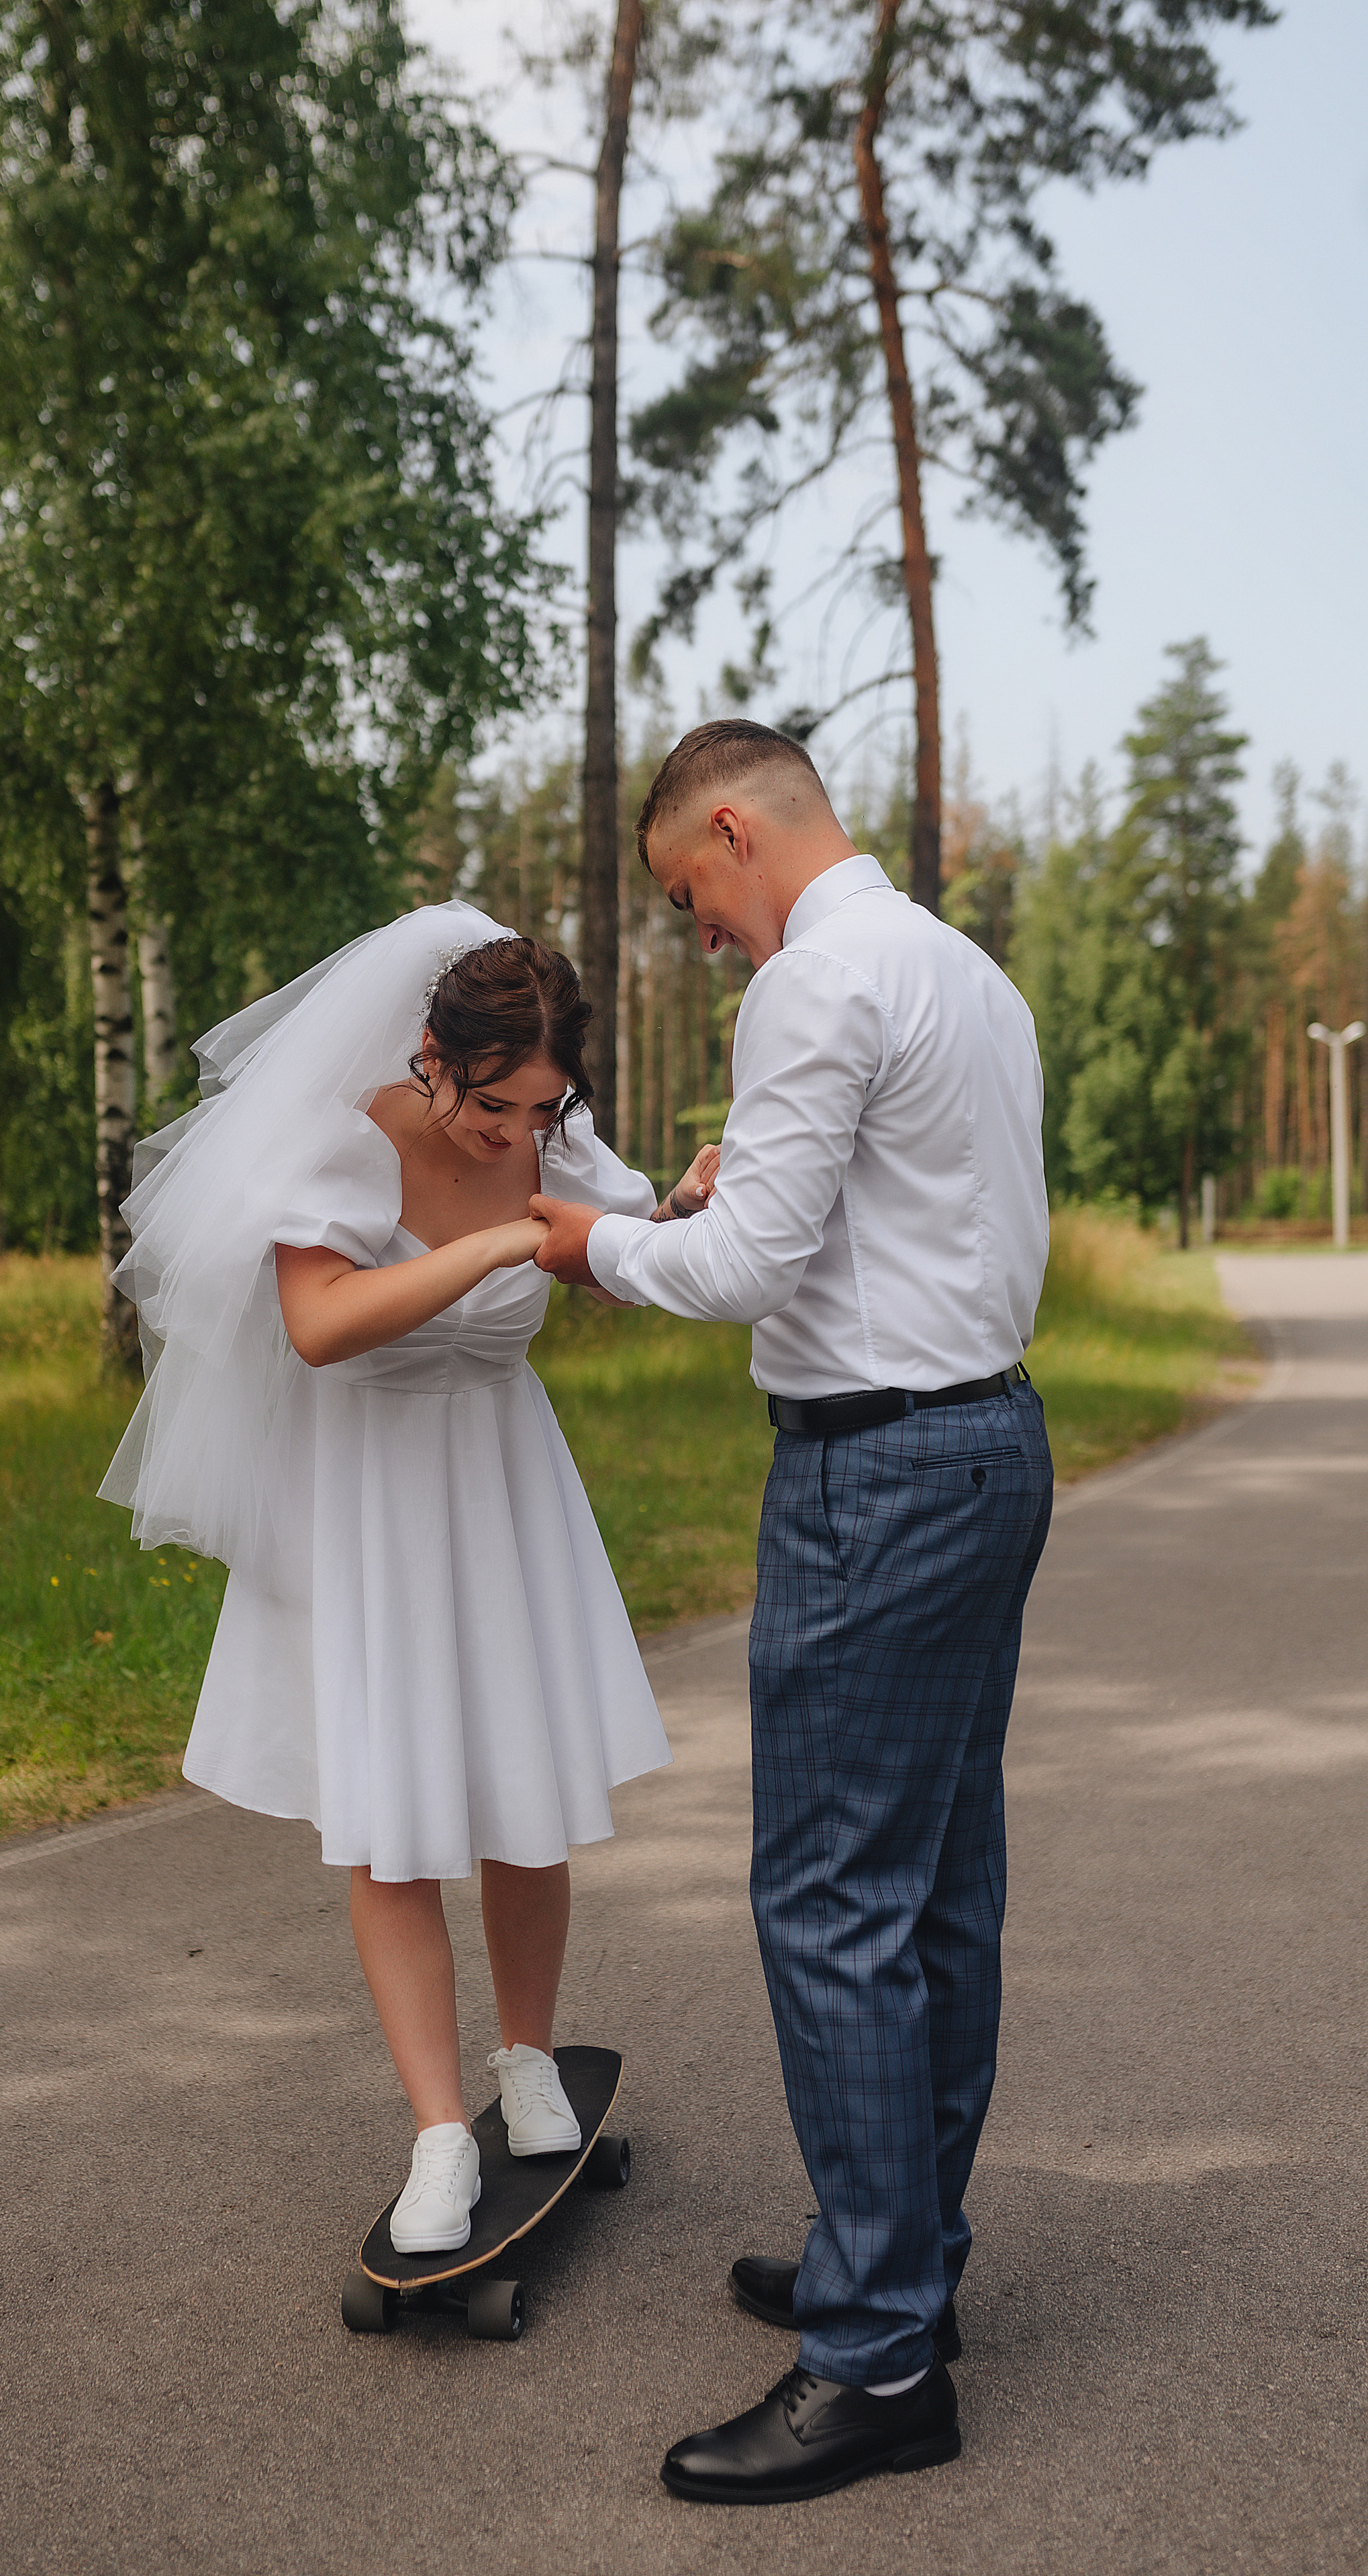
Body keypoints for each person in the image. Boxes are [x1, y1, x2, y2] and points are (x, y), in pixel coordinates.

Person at [530, 721, 1053, 2506]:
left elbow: (747, 1270)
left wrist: (581, 1240)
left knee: (835, 1893)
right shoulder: (965, 972)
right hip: (991, 1439)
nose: (711, 936)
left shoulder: (818, 980)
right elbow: (885, 1222)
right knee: (938, 1881)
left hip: (879, 1478)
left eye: (696, 898)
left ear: (738, 831)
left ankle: (880, 2352)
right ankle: (896, 2252)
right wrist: (722, 1190)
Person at [100, 904, 718, 2257]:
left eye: (541, 1108)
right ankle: (440, 2129)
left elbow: (613, 1256)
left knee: (523, 1784)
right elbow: (319, 1326)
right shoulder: (342, 1135)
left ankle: (526, 2060)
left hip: (501, 1475)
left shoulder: (549, 1135)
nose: (512, 1136)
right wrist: (491, 1244)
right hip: (367, 1492)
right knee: (388, 1812)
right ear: (431, 1057)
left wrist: (678, 1207)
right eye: (490, 1104)